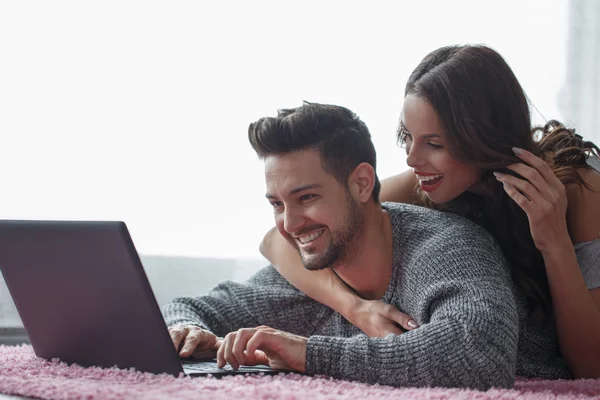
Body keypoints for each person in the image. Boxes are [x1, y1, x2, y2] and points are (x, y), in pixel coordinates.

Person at [163, 102, 570, 390]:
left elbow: (476, 356)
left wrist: (308, 355)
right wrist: (189, 333)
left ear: (361, 183)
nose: (289, 224)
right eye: (277, 204)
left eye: (307, 198)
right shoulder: (312, 266)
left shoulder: (448, 247)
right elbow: (194, 308)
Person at [260, 45, 600, 378]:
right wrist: (355, 308)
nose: (412, 159)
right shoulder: (422, 181)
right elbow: (276, 241)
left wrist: (554, 241)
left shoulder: (578, 190)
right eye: (408, 136)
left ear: (483, 136)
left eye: (434, 144)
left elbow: (591, 368)